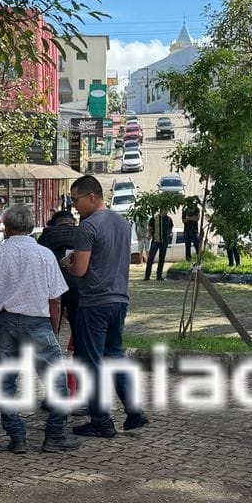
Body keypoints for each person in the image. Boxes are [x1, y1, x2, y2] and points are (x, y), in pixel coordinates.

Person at [0, 203, 78, 454]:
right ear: (30, 226)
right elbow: (56, 299)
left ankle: (16, 435)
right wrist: (54, 330)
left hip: (6, 322)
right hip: (38, 323)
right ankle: (54, 434)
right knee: (57, 382)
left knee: (6, 382)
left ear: (6, 227)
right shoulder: (44, 255)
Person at [63, 174, 147, 436]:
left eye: (75, 200)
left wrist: (67, 264)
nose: (73, 206)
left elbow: (80, 269)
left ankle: (101, 420)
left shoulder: (87, 227)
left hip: (94, 302)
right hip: (119, 299)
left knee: (92, 362)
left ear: (91, 197)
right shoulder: (122, 223)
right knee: (115, 355)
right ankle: (134, 410)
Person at [37, 208, 82, 331]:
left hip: (52, 286)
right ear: (73, 221)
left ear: (54, 223)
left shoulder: (46, 235)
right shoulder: (81, 234)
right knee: (78, 326)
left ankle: (52, 341)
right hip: (77, 284)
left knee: (51, 328)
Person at [143, 208, 173, 281]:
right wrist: (152, 235)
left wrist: (167, 235)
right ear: (161, 210)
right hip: (156, 241)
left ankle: (159, 275)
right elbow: (150, 228)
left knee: (162, 258)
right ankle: (147, 275)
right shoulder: (154, 218)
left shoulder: (168, 219)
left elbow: (170, 228)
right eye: (165, 210)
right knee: (151, 258)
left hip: (164, 241)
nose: (166, 211)